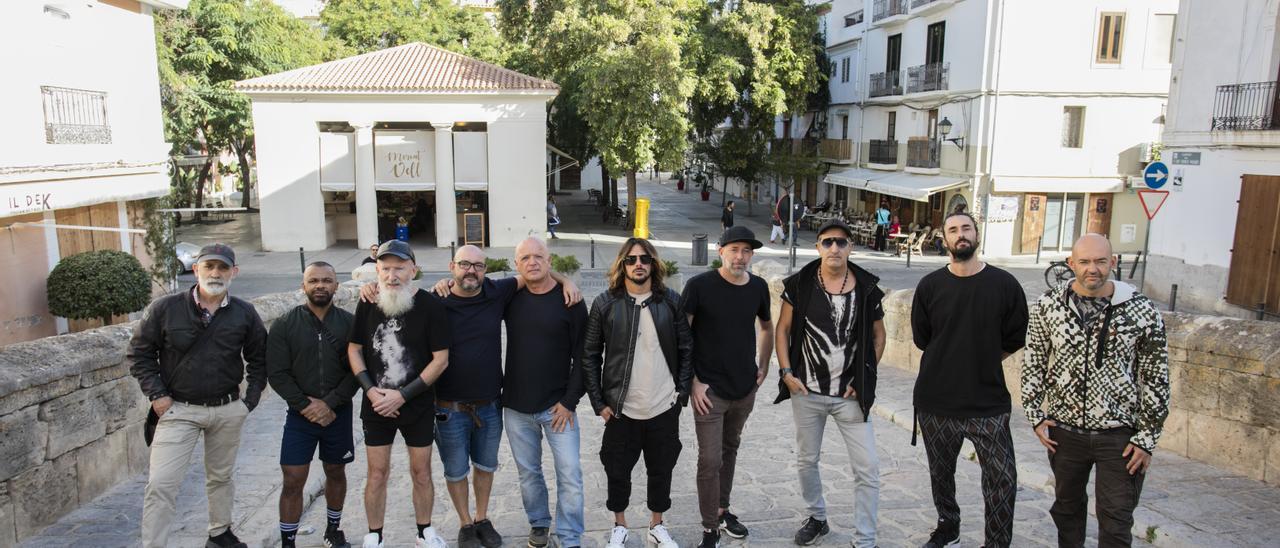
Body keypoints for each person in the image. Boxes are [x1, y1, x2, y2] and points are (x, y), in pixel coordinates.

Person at [360, 245, 582, 548]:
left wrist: (566, 280)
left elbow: (533, 271)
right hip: (448, 405)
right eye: (464, 264)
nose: (471, 271)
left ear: (486, 270)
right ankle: (465, 523)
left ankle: (481, 517)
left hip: (489, 403)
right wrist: (374, 285)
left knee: (486, 466)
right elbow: (399, 290)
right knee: (455, 471)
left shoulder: (497, 291)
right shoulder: (434, 299)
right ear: (452, 267)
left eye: (478, 265)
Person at [1022, 234, 1170, 548]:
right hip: (1064, 432)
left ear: (1112, 262)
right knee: (1067, 511)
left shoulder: (1141, 311)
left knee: (1116, 519)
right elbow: (1033, 360)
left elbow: (1156, 378)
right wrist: (1035, 414)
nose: (1094, 269)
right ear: (1071, 263)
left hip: (1119, 436)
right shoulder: (1048, 306)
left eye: (1101, 261)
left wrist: (1147, 438)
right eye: (1085, 262)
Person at [128, 243, 267, 548]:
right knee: (162, 484)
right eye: (209, 267)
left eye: (223, 268)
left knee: (221, 478)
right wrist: (157, 395)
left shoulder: (244, 313)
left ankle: (219, 534)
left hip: (226, 408)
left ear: (234, 272)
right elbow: (139, 354)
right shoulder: (165, 309)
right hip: (179, 409)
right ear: (196, 270)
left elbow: (260, 359)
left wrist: (249, 402)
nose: (216, 273)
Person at [911, 212, 1029, 548]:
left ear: (977, 234)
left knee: (1003, 478)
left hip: (988, 402)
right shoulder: (930, 286)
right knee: (941, 474)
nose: (960, 235)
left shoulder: (1005, 285)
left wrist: (982, 359)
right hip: (937, 400)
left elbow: (1015, 336)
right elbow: (923, 339)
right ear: (944, 240)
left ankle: (996, 542)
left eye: (966, 228)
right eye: (953, 230)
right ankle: (948, 527)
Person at [774, 221, 886, 548]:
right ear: (818, 247)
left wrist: (864, 376)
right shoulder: (800, 285)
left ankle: (865, 540)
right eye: (827, 242)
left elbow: (879, 336)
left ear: (850, 246)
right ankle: (817, 517)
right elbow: (782, 329)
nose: (834, 248)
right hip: (806, 392)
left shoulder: (867, 288)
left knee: (868, 468)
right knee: (806, 460)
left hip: (851, 395)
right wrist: (786, 372)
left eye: (840, 242)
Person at [584, 238, 694, 548]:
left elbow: (687, 348)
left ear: (653, 264)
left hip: (663, 406)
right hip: (621, 410)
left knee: (662, 469)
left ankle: (657, 526)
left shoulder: (671, 301)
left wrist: (680, 394)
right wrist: (599, 403)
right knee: (617, 470)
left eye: (644, 259)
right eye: (631, 260)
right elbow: (589, 355)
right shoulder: (605, 304)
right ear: (622, 265)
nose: (638, 265)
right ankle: (619, 526)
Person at [347, 240, 452, 548]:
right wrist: (371, 391)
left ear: (413, 270)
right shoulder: (368, 302)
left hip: (416, 403)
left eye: (399, 268)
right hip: (376, 405)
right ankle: (374, 535)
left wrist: (403, 396)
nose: (392, 275)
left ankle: (425, 532)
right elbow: (354, 350)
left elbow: (441, 358)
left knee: (421, 472)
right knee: (377, 473)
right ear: (377, 270)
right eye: (385, 268)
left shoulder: (430, 305)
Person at [680, 226, 774, 548]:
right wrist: (693, 381)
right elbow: (683, 336)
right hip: (709, 391)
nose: (740, 256)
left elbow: (766, 326)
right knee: (709, 459)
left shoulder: (758, 287)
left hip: (744, 388)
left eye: (746, 251)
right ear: (720, 251)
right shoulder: (699, 286)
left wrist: (764, 366)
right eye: (734, 249)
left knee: (730, 450)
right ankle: (709, 528)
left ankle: (722, 510)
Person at [504, 237, 589, 548]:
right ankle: (539, 524)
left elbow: (584, 356)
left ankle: (568, 537)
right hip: (515, 406)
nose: (532, 262)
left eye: (538, 256)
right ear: (517, 265)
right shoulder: (509, 298)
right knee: (529, 474)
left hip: (558, 407)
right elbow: (471, 292)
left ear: (550, 261)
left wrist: (569, 402)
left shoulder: (571, 301)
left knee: (570, 474)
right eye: (525, 257)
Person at [267, 262, 358, 548]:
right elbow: (277, 372)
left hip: (338, 413)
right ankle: (288, 540)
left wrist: (330, 403)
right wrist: (305, 405)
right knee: (293, 478)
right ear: (303, 286)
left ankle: (333, 529)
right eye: (314, 280)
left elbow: (358, 370)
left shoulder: (349, 324)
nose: (320, 285)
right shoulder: (284, 324)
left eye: (327, 280)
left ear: (336, 286)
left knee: (335, 471)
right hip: (299, 415)